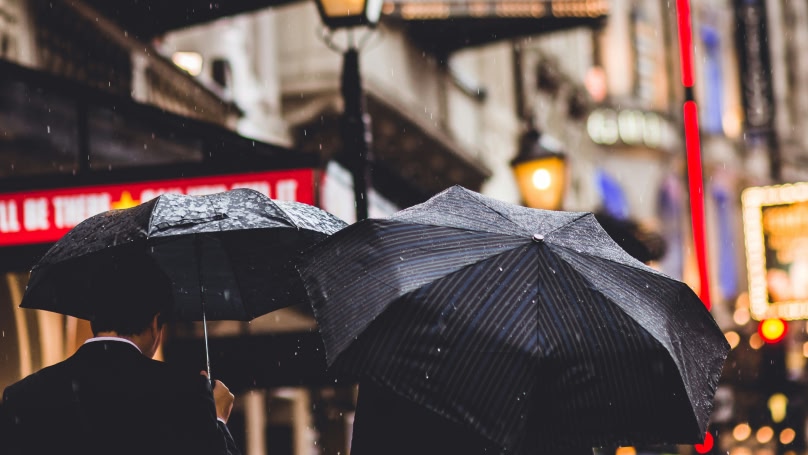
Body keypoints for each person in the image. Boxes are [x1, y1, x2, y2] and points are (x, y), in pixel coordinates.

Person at [0, 255, 241, 455]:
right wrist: (217, 421)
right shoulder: (185, 393)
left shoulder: (23, 397)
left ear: (94, 317)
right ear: (155, 323)